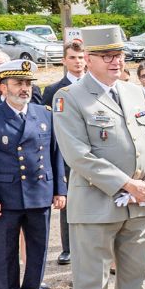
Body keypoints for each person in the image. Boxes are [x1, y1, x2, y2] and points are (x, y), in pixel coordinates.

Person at [51, 25, 145, 289]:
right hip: (97, 205)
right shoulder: (70, 97)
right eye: (107, 55)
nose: (116, 61)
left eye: (119, 54)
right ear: (88, 58)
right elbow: (78, 155)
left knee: (135, 279)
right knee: (92, 284)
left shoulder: (135, 93)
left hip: (138, 203)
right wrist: (124, 182)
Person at [0, 59, 66, 289]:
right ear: (2, 87)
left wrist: (60, 189)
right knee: (6, 250)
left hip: (40, 191)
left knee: (39, 248)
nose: (24, 88)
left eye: (27, 83)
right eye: (18, 83)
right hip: (7, 194)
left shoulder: (44, 113)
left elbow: (55, 154)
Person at [40, 40, 89, 265]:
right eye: (72, 58)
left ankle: (92, 245)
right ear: (64, 60)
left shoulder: (94, 86)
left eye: (81, 58)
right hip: (65, 154)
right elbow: (47, 125)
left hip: (94, 151)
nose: (78, 62)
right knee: (67, 199)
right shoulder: (53, 90)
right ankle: (68, 248)